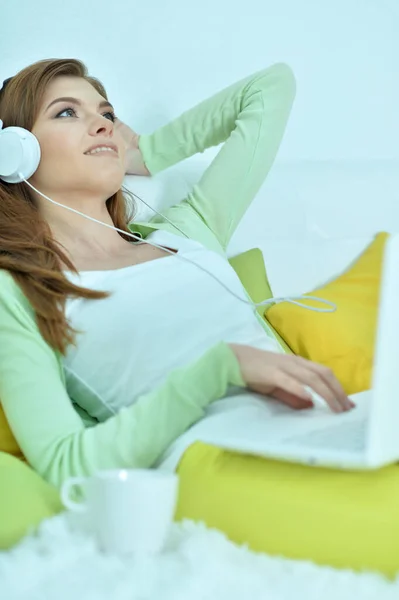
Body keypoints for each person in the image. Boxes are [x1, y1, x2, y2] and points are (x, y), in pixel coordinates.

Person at [0, 58, 353, 491]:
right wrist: (220, 368)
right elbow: (64, 465)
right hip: (225, 466)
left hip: (330, 429)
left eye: (107, 114)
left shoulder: (186, 231)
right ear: (15, 151)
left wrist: (147, 152)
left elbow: (270, 87)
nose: (103, 125)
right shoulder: (18, 288)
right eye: (67, 112)